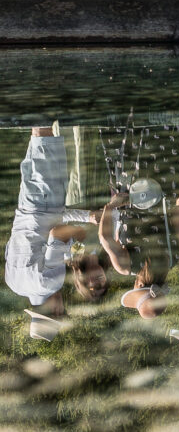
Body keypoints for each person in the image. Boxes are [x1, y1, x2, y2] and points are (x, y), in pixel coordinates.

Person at [5, 127, 109, 316]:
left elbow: (58, 232)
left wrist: (80, 230)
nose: (63, 305)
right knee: (37, 139)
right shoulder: (13, 283)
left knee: (42, 135)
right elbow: (12, 244)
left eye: (62, 309)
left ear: (56, 310)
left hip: (47, 203)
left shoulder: (51, 283)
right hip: (26, 206)